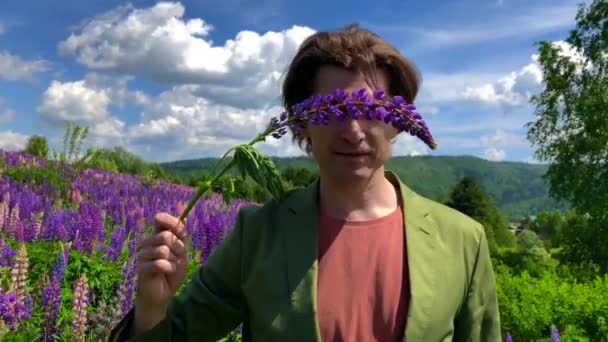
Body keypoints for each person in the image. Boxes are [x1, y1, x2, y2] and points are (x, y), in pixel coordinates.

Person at [109, 23, 502, 342]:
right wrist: (152, 308)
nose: (353, 131)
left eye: (370, 110)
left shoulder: (464, 240)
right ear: (303, 124)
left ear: (397, 122)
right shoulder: (258, 233)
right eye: (332, 110)